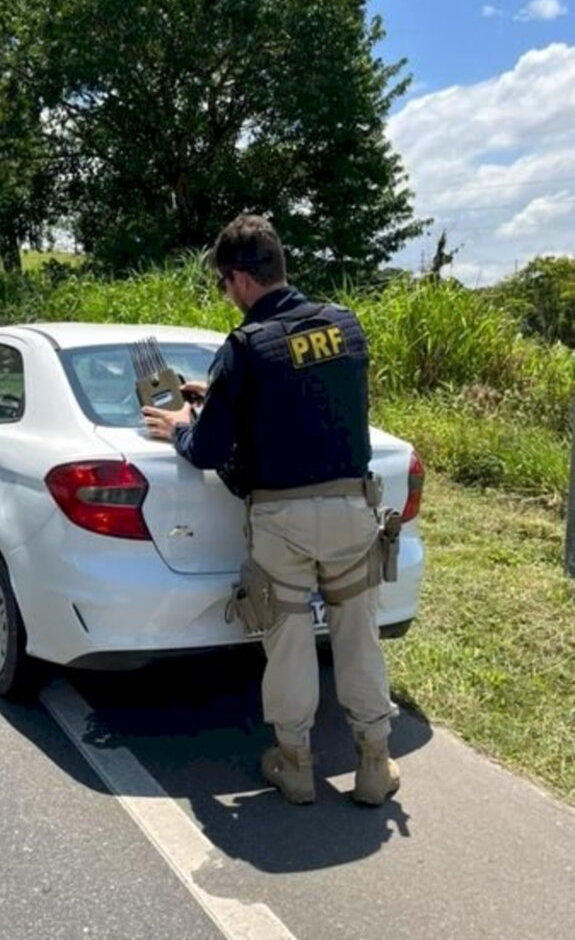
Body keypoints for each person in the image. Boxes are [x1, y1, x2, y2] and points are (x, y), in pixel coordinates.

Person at [141, 213, 399, 806]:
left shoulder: (245, 349)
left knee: (287, 638)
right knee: (358, 636)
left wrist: (185, 424)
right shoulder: (345, 326)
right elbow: (313, 400)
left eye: (223, 284)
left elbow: (208, 450)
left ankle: (295, 763)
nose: (227, 296)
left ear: (239, 279)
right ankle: (374, 765)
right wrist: (231, 399)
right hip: (353, 510)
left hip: (283, 521)